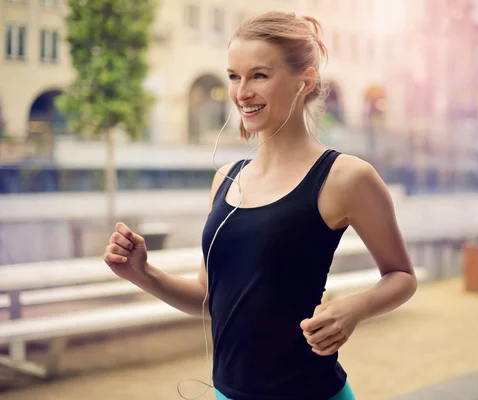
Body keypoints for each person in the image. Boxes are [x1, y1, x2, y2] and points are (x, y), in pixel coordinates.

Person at [103, 11, 417, 400]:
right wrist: (144, 273)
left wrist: (355, 308)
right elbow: (209, 298)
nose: (241, 92)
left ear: (306, 81)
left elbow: (402, 275)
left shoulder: (346, 177)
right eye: (234, 76)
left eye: (259, 75)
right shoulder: (226, 180)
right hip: (226, 394)